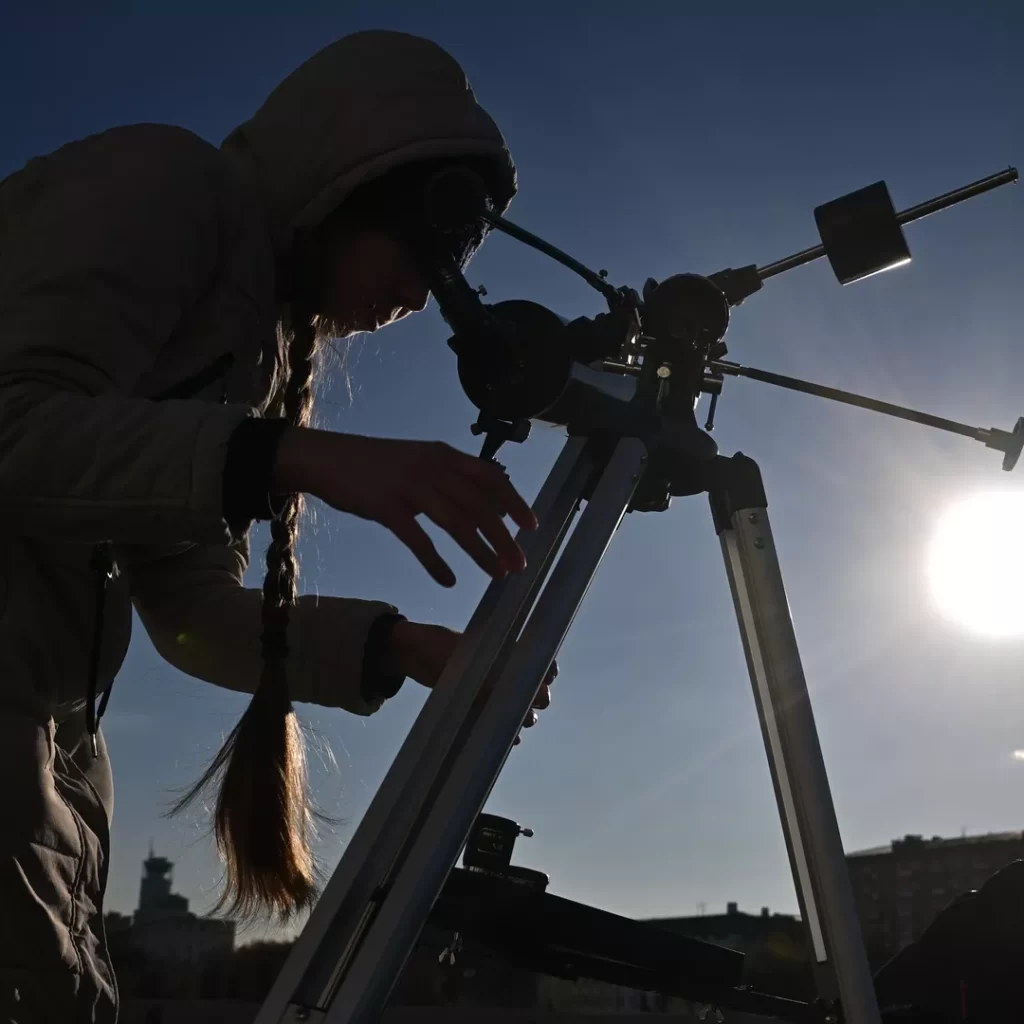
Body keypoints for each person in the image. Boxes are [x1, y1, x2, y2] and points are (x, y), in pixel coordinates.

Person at [0, 29, 555, 1023]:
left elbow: (190, 611)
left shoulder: (248, 352)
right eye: (420, 252)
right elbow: (15, 427)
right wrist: (299, 458)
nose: (419, 298)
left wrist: (401, 648)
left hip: (46, 753)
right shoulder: (165, 182)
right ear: (346, 185)